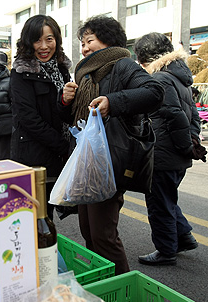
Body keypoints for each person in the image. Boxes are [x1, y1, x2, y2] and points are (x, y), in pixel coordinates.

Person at [59, 15, 164, 275]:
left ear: (108, 40)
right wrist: (64, 102)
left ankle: (122, 292)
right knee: (89, 232)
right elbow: (74, 120)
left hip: (109, 163)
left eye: (89, 41)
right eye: (82, 43)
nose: (84, 48)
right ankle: (102, 287)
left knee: (104, 235)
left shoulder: (123, 65)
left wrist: (112, 102)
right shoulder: (85, 73)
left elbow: (154, 92)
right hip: (86, 164)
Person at [133, 32, 205, 265]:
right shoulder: (179, 78)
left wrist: (185, 146)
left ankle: (166, 251)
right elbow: (193, 116)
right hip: (175, 156)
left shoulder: (161, 79)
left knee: (159, 204)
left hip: (164, 154)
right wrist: (191, 143)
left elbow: (175, 116)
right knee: (167, 198)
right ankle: (183, 236)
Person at [10, 15, 72, 219]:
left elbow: (64, 110)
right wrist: (63, 146)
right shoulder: (21, 72)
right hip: (34, 156)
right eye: (37, 40)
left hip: (59, 156)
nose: (44, 46)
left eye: (49, 39)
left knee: (49, 216)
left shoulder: (62, 69)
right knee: (36, 219)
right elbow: (28, 118)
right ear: (28, 42)